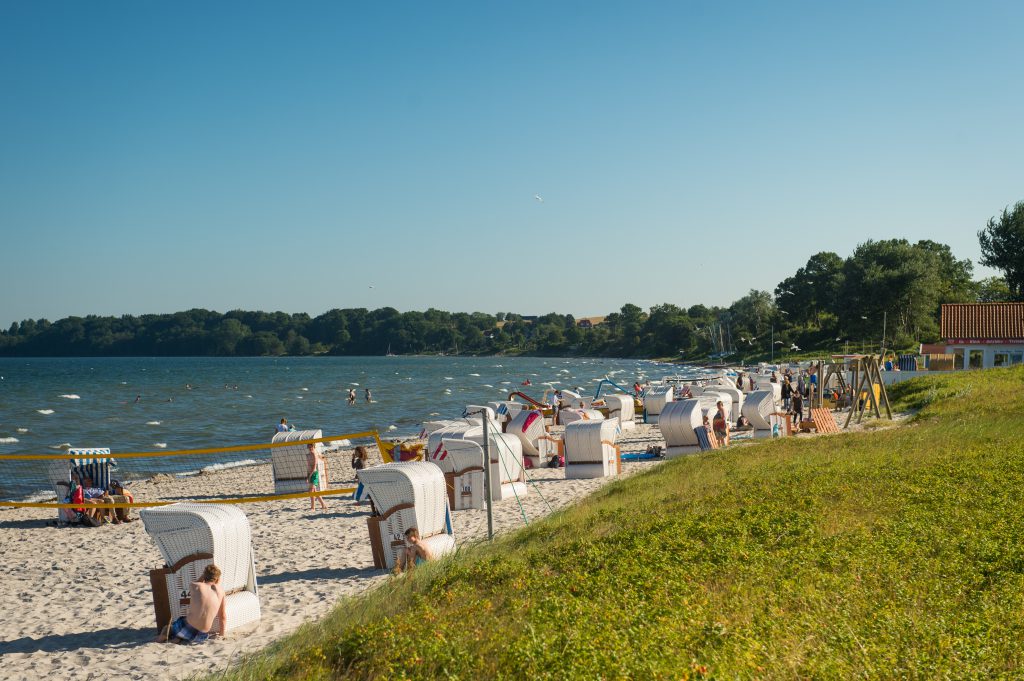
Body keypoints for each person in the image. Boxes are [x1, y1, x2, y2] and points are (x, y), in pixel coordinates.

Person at [157, 564, 226, 644]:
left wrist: (203, 576)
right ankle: (178, 638)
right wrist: (222, 634)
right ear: (217, 579)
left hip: (185, 628)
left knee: (167, 628)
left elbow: (200, 582)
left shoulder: (195, 586)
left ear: (204, 576)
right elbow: (223, 616)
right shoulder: (221, 592)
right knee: (187, 631)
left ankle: (164, 639)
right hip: (200, 636)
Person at [307, 443, 328, 511]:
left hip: (314, 474)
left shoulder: (314, 454)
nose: (310, 448)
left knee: (311, 491)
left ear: (314, 447)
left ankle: (313, 507)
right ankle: (323, 505)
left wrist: (310, 476)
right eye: (309, 447)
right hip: (309, 473)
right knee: (314, 491)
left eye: (311, 447)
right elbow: (309, 466)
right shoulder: (308, 454)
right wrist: (307, 475)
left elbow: (314, 466)